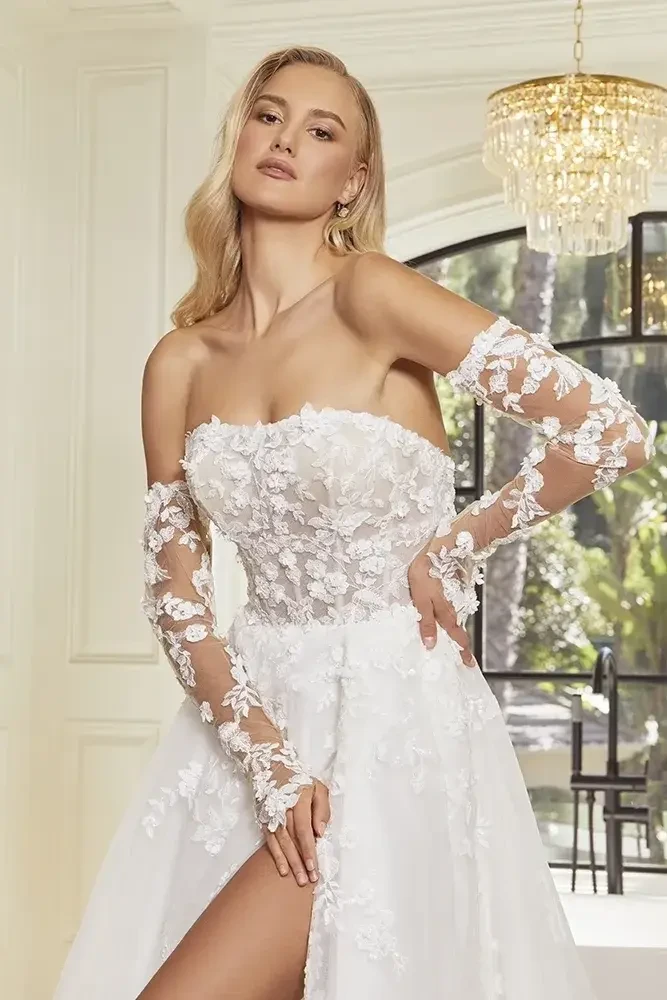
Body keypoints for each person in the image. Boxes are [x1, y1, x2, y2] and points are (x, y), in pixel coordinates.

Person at [54, 44, 654, 1000]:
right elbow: (177, 596)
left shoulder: (373, 294)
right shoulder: (179, 360)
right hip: (247, 724)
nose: (287, 140)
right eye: (269, 115)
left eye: (321, 130)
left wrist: (458, 540)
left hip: (388, 712)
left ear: (353, 179)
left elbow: (609, 427)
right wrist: (264, 754)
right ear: (238, 137)